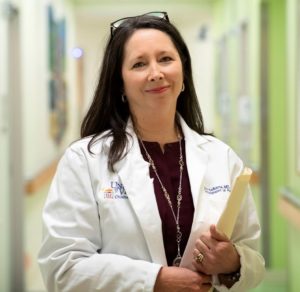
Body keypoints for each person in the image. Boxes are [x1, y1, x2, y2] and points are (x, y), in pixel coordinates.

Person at [38, 11, 265, 291]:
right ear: (120, 83)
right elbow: (62, 268)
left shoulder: (221, 157)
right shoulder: (85, 159)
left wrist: (233, 262)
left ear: (183, 72)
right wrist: (154, 280)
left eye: (166, 59)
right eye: (139, 64)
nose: (156, 73)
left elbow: (254, 258)